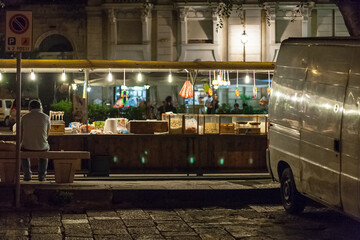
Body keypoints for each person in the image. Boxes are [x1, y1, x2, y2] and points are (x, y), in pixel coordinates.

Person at [21, 100, 51, 181]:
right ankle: (42, 176)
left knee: (22, 153)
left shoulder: (24, 117)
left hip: (26, 146)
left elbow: (21, 133)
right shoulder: (46, 117)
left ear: (29, 107)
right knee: (45, 152)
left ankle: (27, 175)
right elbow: (47, 134)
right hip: (42, 147)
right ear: (40, 107)